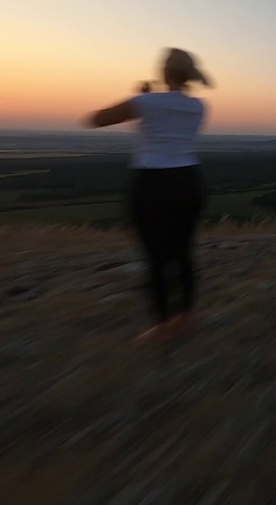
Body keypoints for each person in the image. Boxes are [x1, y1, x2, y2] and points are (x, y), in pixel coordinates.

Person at [85, 47, 212, 344]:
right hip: (189, 181)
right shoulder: (200, 107)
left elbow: (97, 119)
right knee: (183, 252)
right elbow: (172, 120)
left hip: (152, 183)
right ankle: (185, 318)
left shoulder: (146, 102)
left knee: (155, 257)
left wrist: (142, 97)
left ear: (164, 72)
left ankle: (162, 325)